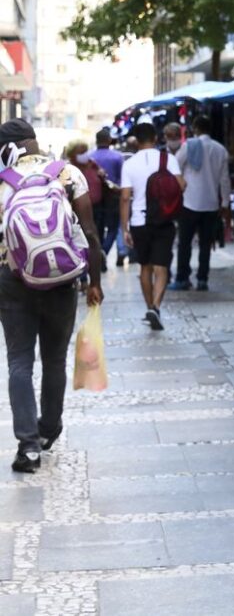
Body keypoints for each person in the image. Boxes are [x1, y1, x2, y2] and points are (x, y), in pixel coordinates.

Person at [0, 119, 103, 473]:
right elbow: (89, 231)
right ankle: (50, 428)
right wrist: (94, 281)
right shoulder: (67, 173)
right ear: (34, 141)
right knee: (54, 359)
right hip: (62, 279)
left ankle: (27, 447)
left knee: (18, 362)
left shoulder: (3, 182)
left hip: (12, 281)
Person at [121, 123, 185, 330]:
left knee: (145, 267)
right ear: (156, 138)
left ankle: (150, 306)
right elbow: (182, 184)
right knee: (162, 267)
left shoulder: (129, 164)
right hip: (164, 220)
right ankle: (156, 307)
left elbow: (124, 198)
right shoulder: (168, 159)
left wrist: (125, 228)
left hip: (139, 221)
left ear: (136, 141)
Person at [170, 116, 230, 292]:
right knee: (206, 244)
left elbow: (175, 166)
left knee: (185, 243)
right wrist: (225, 203)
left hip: (189, 202)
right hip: (211, 204)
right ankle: (202, 279)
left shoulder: (189, 146)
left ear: (195, 128)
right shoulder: (220, 150)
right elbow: (225, 180)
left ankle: (182, 277)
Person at [65, 139, 109, 273]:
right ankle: (84, 270)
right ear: (72, 154)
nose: (85, 155)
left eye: (85, 151)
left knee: (96, 236)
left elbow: (103, 179)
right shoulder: (67, 171)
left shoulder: (92, 165)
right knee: (83, 238)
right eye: (81, 152)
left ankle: (98, 261)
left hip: (97, 207)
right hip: (78, 210)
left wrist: (102, 176)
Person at [88, 129, 128, 267]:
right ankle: (103, 252)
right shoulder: (117, 157)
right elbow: (123, 179)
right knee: (112, 228)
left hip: (95, 199)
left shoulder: (90, 157)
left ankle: (100, 256)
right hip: (114, 197)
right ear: (109, 140)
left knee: (97, 228)